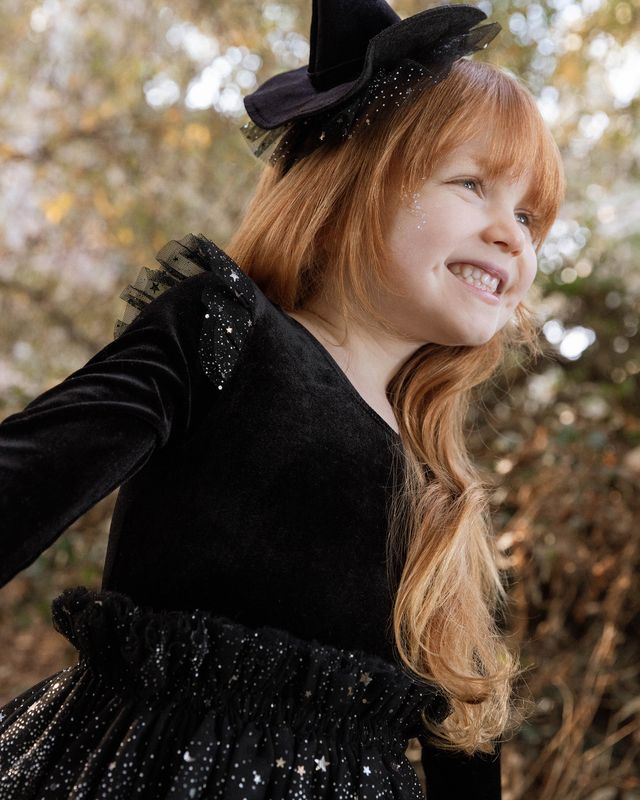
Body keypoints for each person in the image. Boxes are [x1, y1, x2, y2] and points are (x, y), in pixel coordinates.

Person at [0, 0, 565, 797]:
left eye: (531, 216)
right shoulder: (227, 334)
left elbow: (462, 736)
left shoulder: (438, 472)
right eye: (473, 184)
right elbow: (22, 480)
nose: (515, 236)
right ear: (355, 183)